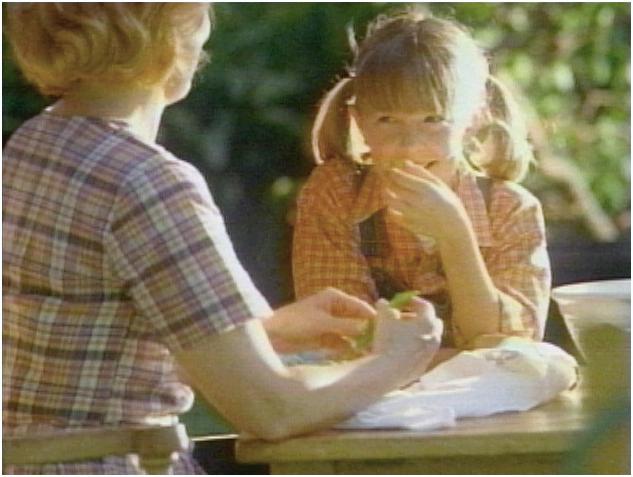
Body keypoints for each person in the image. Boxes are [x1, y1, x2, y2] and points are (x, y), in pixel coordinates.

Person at [2, 4, 443, 474]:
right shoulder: (147, 183)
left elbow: (84, 345)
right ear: (171, 33)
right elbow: (271, 410)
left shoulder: (31, 147)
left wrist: (263, 333)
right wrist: (397, 359)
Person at [293, 10, 551, 356]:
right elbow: (341, 340)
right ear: (360, 122)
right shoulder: (336, 194)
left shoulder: (511, 210)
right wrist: (451, 358)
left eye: (433, 119)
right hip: (371, 387)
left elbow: (507, 349)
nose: (410, 145)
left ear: (473, 120)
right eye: (387, 119)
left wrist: (454, 233)